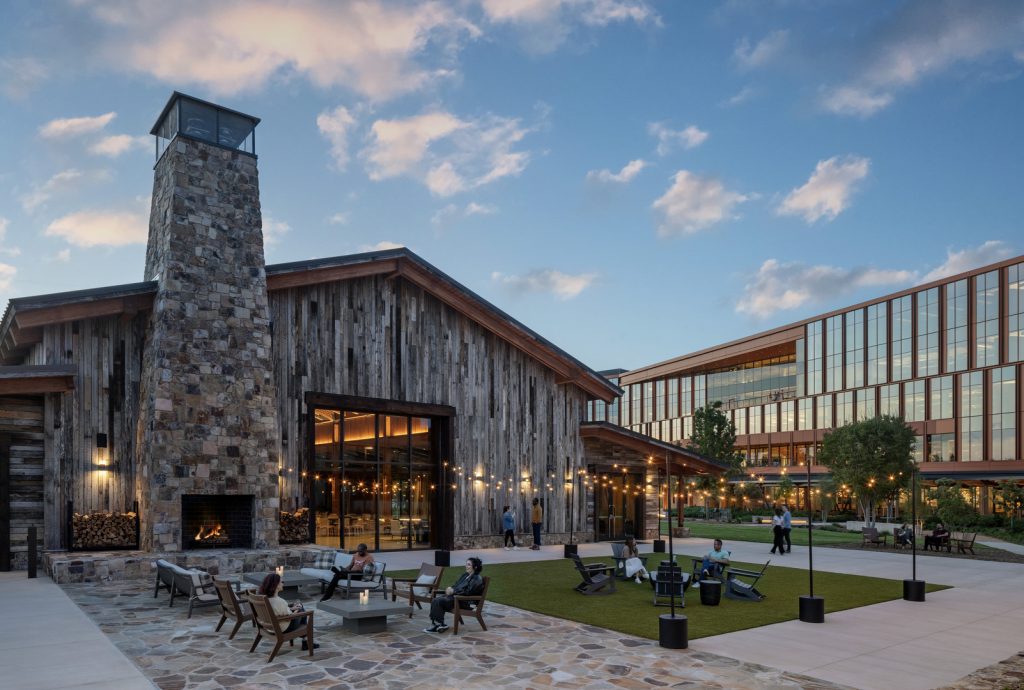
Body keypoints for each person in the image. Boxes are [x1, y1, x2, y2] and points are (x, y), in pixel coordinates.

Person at [258, 572, 318, 650]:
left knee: (298, 607)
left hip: (269, 627)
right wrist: (298, 610)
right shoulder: (279, 601)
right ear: (276, 585)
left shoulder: (265, 599)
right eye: (281, 582)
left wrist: (291, 608)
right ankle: (305, 640)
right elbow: (288, 617)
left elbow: (278, 611)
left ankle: (305, 639)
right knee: (302, 609)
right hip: (282, 628)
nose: (283, 584)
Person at [424, 557, 484, 633]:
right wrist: (450, 589)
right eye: (466, 564)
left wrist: (453, 591)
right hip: (456, 599)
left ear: (475, 567)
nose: (466, 566)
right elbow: (456, 585)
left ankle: (437, 624)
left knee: (438, 601)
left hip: (465, 602)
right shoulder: (465, 575)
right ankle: (438, 624)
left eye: (469, 565)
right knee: (436, 600)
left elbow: (468, 592)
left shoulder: (477, 579)